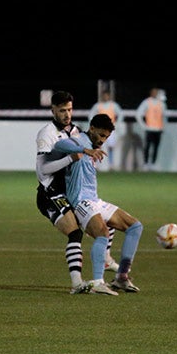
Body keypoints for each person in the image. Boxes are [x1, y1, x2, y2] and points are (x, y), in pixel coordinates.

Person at [36, 91, 119, 295]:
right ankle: (77, 283)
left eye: (70, 110)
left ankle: (106, 261)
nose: (67, 114)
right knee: (75, 232)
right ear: (53, 109)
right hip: (50, 193)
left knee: (106, 223)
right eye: (62, 110)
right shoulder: (46, 133)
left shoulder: (76, 131)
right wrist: (71, 158)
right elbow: (42, 170)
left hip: (72, 193)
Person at [52, 113, 143, 295]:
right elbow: (58, 144)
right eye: (101, 135)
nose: (103, 140)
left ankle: (121, 277)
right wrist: (85, 151)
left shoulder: (93, 145)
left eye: (106, 137)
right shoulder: (79, 141)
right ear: (92, 128)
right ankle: (97, 282)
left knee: (135, 226)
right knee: (102, 233)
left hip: (95, 200)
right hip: (80, 202)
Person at [88, 89, 123, 171]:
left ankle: (111, 164)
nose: (106, 97)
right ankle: (97, 164)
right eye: (104, 95)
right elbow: (91, 115)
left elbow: (120, 115)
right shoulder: (98, 105)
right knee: (99, 146)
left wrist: (116, 124)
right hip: (100, 130)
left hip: (110, 131)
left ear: (109, 96)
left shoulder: (113, 105)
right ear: (102, 96)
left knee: (111, 147)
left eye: (107, 95)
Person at [135, 87, 166, 170]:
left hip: (158, 129)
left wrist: (163, 127)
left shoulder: (162, 103)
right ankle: (145, 163)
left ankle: (153, 163)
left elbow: (164, 116)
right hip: (149, 129)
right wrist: (144, 126)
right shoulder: (146, 102)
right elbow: (138, 114)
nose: (155, 94)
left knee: (156, 147)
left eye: (156, 92)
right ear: (151, 93)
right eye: (153, 92)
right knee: (147, 146)